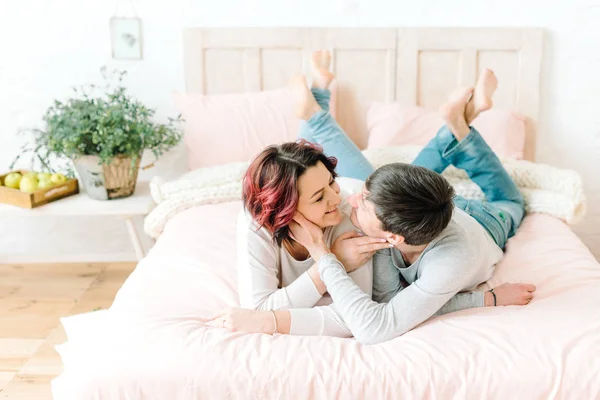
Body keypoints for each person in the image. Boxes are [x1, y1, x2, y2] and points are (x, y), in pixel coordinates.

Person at [207, 51, 535, 338]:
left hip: (482, 225)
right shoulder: (349, 205)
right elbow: (381, 299)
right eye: (322, 195)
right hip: (423, 209)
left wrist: (324, 260)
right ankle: (454, 126)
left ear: (389, 238)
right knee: (395, 184)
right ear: (285, 210)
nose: (344, 197)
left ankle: (458, 129)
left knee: (511, 202)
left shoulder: (443, 254)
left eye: (332, 186)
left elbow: (371, 317)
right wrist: (328, 265)